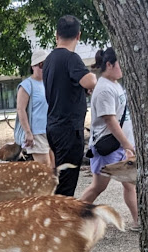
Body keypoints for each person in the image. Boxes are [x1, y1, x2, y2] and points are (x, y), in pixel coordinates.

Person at [79, 47, 138, 230]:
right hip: (108, 146)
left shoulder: (113, 84)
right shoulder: (104, 88)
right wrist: (127, 144)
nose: (123, 67)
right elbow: (110, 121)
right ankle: (71, 215)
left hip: (117, 146)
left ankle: (138, 221)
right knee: (98, 187)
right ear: (109, 64)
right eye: (120, 63)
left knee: (129, 185)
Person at [43, 14, 97, 196]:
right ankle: (59, 222)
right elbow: (90, 81)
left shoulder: (49, 60)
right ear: (78, 35)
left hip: (53, 127)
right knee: (66, 186)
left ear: (56, 35)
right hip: (68, 130)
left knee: (58, 180)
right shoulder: (71, 58)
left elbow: (63, 87)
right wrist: (90, 82)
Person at [16, 49, 51, 166]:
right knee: (45, 168)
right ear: (33, 66)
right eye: (41, 65)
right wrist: (28, 132)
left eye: (47, 64)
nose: (44, 68)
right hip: (36, 133)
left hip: (51, 131)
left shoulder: (49, 83)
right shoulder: (27, 85)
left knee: (54, 169)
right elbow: (21, 109)